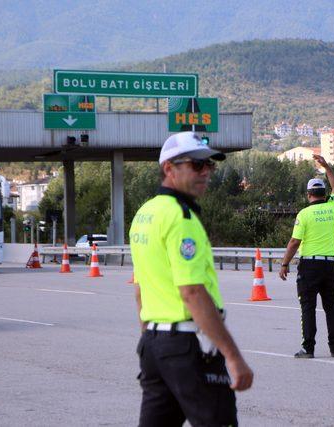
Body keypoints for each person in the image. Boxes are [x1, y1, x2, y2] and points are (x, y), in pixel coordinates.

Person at [129, 131, 253, 427]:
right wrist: (232, 356)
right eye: (196, 165)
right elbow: (193, 293)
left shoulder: (146, 213)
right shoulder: (181, 218)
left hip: (155, 345)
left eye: (210, 165)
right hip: (188, 346)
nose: (206, 172)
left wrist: (149, 337)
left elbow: (140, 288)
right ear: (169, 168)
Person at [279, 154, 334, 359]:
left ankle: (308, 347)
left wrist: (284, 264)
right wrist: (326, 167)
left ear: (308, 195)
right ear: (324, 194)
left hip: (309, 266)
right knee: (331, 306)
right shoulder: (333, 207)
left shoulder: (304, 214)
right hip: (331, 265)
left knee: (308, 307)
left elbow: (294, 242)